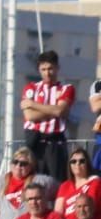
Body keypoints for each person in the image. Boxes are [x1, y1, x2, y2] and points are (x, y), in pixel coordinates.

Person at [22, 50, 76, 182]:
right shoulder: (31, 88)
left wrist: (32, 104)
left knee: (56, 182)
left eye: (50, 68)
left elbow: (60, 111)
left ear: (57, 68)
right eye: (43, 69)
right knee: (33, 182)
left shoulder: (66, 88)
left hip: (55, 142)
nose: (47, 73)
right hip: (34, 141)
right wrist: (54, 109)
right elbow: (29, 116)